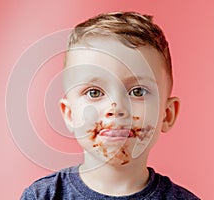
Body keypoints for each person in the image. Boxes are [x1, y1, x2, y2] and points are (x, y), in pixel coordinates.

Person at [21, 11, 200, 199]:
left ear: (167, 114)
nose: (117, 108)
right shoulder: (43, 196)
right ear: (70, 114)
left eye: (137, 92)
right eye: (94, 93)